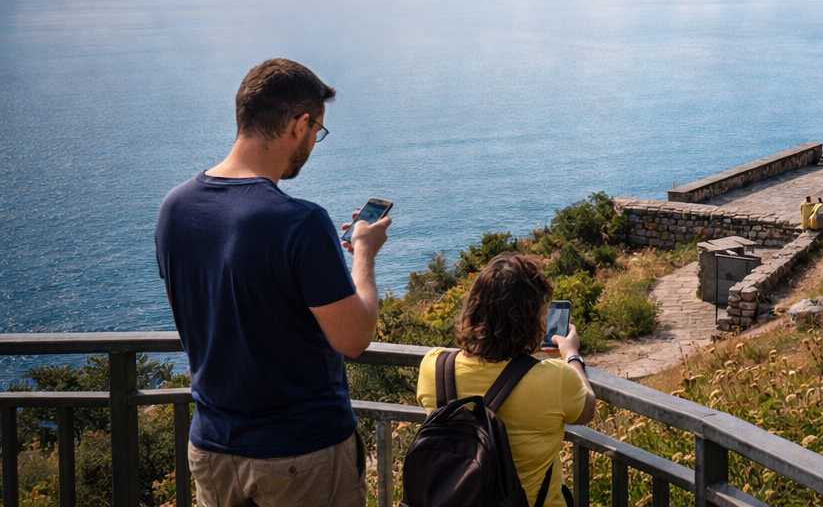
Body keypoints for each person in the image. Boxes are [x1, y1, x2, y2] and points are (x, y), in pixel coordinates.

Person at [156, 59, 389, 507]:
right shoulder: (300, 222)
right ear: (299, 125)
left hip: (212, 450)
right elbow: (354, 338)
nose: (313, 142)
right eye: (317, 130)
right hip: (301, 452)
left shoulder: (175, 208)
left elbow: (193, 316)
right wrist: (363, 253)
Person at [417, 254, 596, 507]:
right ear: (533, 318)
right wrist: (571, 355)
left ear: (472, 309)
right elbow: (587, 410)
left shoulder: (434, 365)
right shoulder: (556, 379)